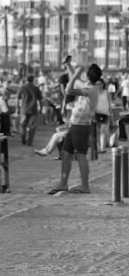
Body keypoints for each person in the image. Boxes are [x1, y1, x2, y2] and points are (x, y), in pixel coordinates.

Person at [47, 57, 102, 195]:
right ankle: (63, 183)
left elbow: (68, 89)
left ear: (87, 76)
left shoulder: (90, 89)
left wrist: (76, 74)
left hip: (81, 126)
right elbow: (75, 79)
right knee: (66, 153)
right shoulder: (89, 86)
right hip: (75, 125)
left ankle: (85, 186)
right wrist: (69, 66)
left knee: (81, 155)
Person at [17, 75, 42, 146]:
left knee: (22, 125)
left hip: (24, 109)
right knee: (32, 126)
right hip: (33, 109)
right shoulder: (36, 88)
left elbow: (18, 99)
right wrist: (40, 108)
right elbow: (40, 100)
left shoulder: (22, 87)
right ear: (33, 80)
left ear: (26, 79)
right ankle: (29, 142)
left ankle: (23, 137)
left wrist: (17, 108)